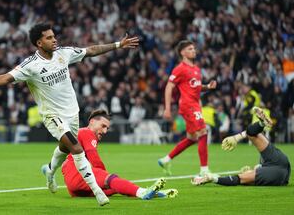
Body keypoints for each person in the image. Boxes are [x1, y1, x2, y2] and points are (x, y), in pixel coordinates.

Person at [0, 23, 139, 206]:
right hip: (52, 115)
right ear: (39, 43)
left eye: (54, 36)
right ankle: (98, 193)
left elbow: (90, 50)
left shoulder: (63, 53)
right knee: (76, 148)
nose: (54, 40)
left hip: (72, 113)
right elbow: (6, 78)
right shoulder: (31, 66)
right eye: (49, 38)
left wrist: (118, 45)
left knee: (65, 147)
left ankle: (50, 172)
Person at [62, 109, 178, 199]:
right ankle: (143, 193)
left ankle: (154, 193)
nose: (105, 131)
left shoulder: (81, 132)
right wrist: (105, 176)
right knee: (111, 179)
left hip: (73, 183)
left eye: (107, 128)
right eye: (103, 126)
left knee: (115, 187)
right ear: (92, 121)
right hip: (77, 173)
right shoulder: (87, 132)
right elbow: (95, 160)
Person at [158, 40, 217, 176]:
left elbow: (195, 87)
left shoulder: (196, 69)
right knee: (203, 131)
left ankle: (166, 159)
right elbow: (169, 86)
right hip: (188, 105)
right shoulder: (180, 68)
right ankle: (204, 170)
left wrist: (207, 87)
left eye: (194, 48)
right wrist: (167, 108)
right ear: (182, 52)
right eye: (190, 49)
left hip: (195, 105)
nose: (194, 51)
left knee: (192, 138)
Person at [192, 107, 291, 186]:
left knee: (242, 178)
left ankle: (262, 123)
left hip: (278, 171)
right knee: (252, 133)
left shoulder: (261, 175)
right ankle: (261, 123)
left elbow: (237, 179)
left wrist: (213, 178)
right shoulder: (262, 173)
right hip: (278, 166)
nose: (248, 171)